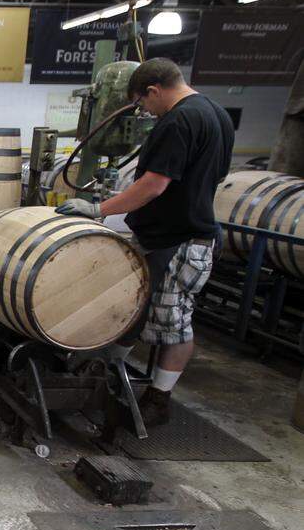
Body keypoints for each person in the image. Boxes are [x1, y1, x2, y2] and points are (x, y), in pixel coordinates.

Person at [56, 57, 234, 425]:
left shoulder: (180, 120)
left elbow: (154, 185)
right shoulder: (216, 113)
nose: (145, 112)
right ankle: (107, 368)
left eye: (142, 104)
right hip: (169, 234)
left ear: (153, 91)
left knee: (174, 321)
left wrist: (99, 209)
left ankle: (159, 398)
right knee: (134, 306)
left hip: (182, 239)